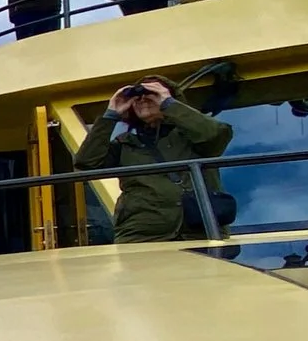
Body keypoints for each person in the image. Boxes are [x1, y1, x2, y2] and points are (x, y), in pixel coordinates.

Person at [73, 76, 235, 244]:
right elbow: (86, 164)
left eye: (152, 93)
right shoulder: (125, 144)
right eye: (136, 96)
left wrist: (168, 104)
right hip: (142, 235)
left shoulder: (193, 136)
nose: (143, 98)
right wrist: (110, 115)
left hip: (202, 232)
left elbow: (217, 135)